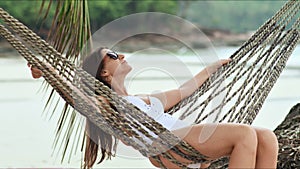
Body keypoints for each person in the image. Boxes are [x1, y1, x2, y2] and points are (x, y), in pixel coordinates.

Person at [28, 47, 279, 169]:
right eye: (114, 55)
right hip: (166, 145)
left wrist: (213, 67)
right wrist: (48, 72)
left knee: (267, 137)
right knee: (244, 134)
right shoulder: (107, 104)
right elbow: (77, 98)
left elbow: (186, 90)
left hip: (182, 138)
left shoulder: (144, 100)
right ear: (103, 72)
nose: (123, 55)